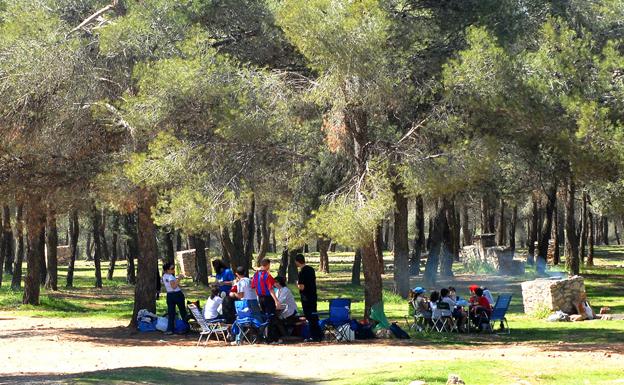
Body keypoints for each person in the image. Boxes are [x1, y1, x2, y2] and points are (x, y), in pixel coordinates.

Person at [251, 258, 281, 343]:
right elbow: (271, 289)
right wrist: (276, 300)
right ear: (267, 265)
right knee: (271, 317)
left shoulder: (256, 275)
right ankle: (271, 339)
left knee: (264, 317)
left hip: (260, 298)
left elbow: (253, 286)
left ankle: (264, 337)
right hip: (268, 298)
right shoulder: (267, 275)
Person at [295, 254, 322, 342]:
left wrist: (297, 284)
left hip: (306, 297)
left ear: (297, 262)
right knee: (314, 315)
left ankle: (313, 335)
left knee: (309, 317)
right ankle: (318, 335)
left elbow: (301, 287)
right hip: (313, 295)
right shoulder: (311, 269)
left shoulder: (301, 272)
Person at [162, 262, 189, 335]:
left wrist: (177, 281)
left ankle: (170, 329)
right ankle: (186, 327)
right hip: (177, 295)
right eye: (172, 269)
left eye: (173, 268)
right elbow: (173, 286)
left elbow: (172, 285)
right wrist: (179, 278)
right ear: (167, 270)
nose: (173, 270)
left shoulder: (164, 276)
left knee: (171, 313)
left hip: (169, 295)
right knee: (183, 311)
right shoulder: (170, 276)